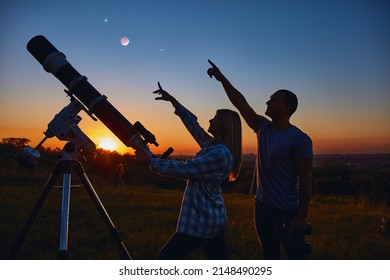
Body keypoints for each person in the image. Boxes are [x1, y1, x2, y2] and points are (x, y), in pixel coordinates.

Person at [207, 60, 313, 259]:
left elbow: (306, 180)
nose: (267, 102)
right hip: (262, 207)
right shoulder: (262, 127)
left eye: (273, 100)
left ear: (287, 107)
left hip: (287, 211)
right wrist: (222, 79)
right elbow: (240, 103)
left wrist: (301, 216)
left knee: (296, 259)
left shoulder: (299, 139)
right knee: (269, 255)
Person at [149, 82, 242, 260]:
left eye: (215, 118)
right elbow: (194, 126)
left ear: (223, 125)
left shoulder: (220, 154)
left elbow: (186, 169)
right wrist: (173, 102)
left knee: (164, 260)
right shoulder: (212, 145)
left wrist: (152, 162)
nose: (210, 120)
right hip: (211, 219)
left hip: (201, 221)